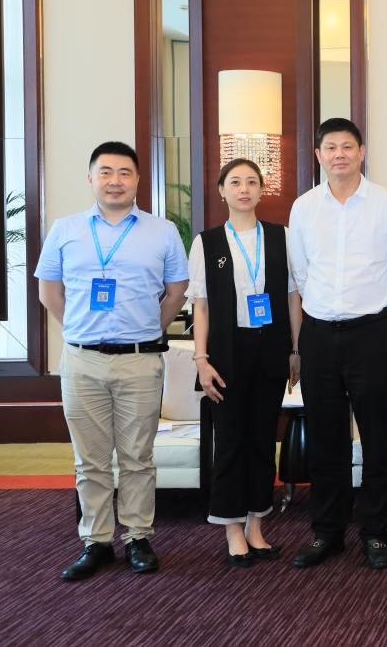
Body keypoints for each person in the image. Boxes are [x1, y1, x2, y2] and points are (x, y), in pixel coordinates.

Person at [36, 141, 189, 581]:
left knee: (138, 456)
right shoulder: (65, 230)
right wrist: (80, 330)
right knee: (91, 459)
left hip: (139, 361)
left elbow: (176, 291)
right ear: (91, 178)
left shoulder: (161, 231)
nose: (115, 181)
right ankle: (96, 541)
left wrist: (149, 328)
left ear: (138, 179)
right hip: (82, 361)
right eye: (105, 172)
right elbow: (49, 293)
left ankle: (138, 537)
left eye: (124, 172)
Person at [286, 118, 387, 570]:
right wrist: (323, 313)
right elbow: (300, 271)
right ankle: (327, 531)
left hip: (369, 333)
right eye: (330, 147)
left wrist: (373, 309)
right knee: (326, 438)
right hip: (319, 333)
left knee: (376, 435)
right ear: (318, 155)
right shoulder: (304, 207)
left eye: (347, 146)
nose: (339, 154)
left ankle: (376, 532)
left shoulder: (386, 203)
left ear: (361, 152)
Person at [187, 159, 301, 567]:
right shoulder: (207, 242)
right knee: (231, 442)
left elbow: (292, 296)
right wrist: (201, 359)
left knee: (262, 440)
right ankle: (232, 527)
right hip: (226, 352)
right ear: (222, 190)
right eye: (235, 182)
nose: (244, 189)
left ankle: (256, 523)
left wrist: (296, 349)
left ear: (261, 189)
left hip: (271, 348)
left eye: (252, 182)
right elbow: (201, 306)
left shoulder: (281, 237)